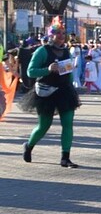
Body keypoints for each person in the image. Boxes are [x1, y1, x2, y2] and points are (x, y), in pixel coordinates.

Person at [21, 18, 81, 168]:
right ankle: (28, 146)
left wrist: (71, 85)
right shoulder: (42, 51)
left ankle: (65, 157)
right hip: (46, 92)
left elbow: (68, 72)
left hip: (64, 92)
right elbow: (30, 72)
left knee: (68, 124)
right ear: (51, 35)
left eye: (63, 33)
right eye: (57, 33)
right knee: (44, 126)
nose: (61, 36)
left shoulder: (66, 51)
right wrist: (47, 70)